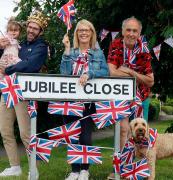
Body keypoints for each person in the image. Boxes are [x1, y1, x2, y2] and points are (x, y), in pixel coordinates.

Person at [0, 11, 48, 178]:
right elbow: (5, 57)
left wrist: (8, 69)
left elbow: (31, 65)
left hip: (24, 92)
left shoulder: (41, 47)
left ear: (40, 31)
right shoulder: (16, 43)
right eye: (30, 26)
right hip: (8, 89)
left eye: (36, 28)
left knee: (25, 133)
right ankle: (15, 166)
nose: (31, 30)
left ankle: (33, 169)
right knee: (5, 129)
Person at [60, 19, 109, 180]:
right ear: (76, 33)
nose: (83, 32)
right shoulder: (71, 51)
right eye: (80, 30)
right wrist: (67, 50)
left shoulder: (97, 51)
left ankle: (84, 170)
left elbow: (105, 71)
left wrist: (90, 74)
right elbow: (64, 74)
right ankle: (74, 170)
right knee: (72, 135)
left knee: (85, 136)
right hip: (70, 101)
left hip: (88, 101)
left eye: (87, 30)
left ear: (92, 33)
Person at [107, 16, 154, 179]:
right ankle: (121, 170)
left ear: (139, 33)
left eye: (135, 31)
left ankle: (139, 170)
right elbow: (112, 72)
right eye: (128, 30)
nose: (131, 34)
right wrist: (138, 75)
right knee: (123, 130)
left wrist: (130, 72)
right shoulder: (116, 44)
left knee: (140, 134)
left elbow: (150, 81)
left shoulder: (144, 50)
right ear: (122, 31)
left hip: (141, 96)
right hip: (120, 94)